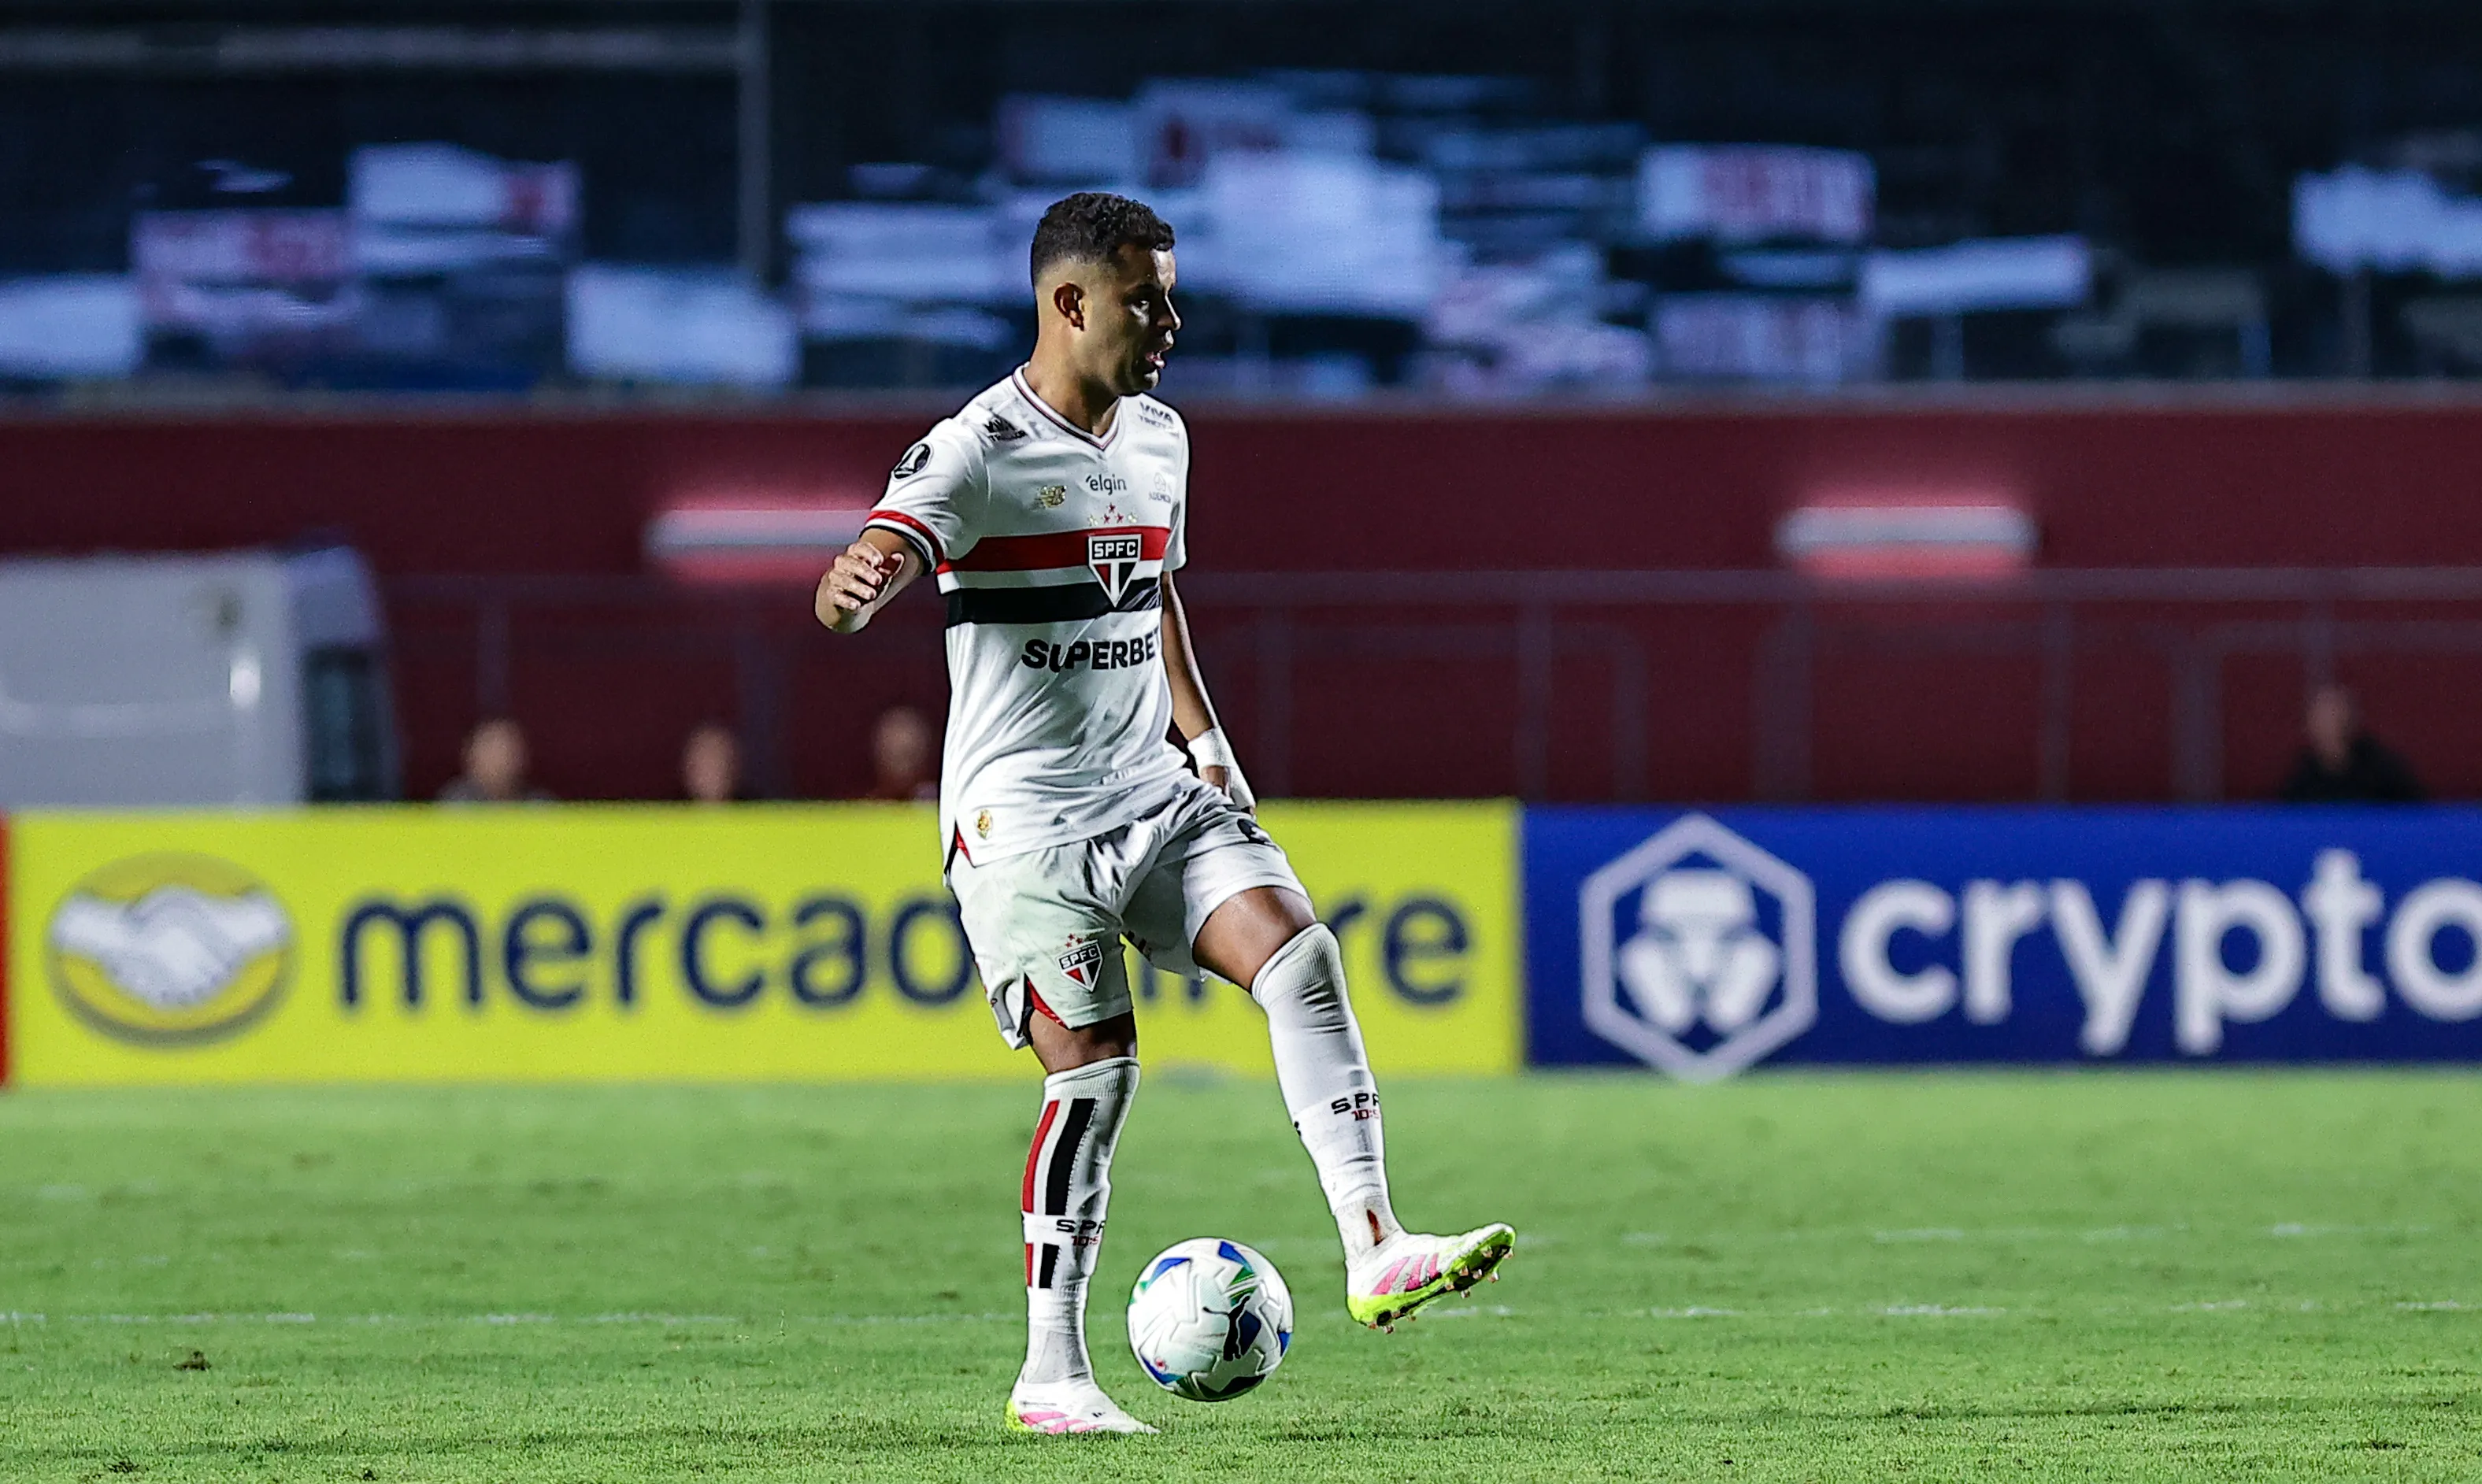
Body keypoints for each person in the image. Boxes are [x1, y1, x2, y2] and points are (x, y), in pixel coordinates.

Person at [816, 192, 1511, 1437]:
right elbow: (881, 548)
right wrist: (858, 582)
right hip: (1022, 822)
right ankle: (1050, 1375)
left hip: (1153, 786)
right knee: (1096, 1076)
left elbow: (1155, 596)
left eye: (1171, 295)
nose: (1171, 320)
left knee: (1299, 954)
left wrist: (1209, 742)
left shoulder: (1161, 438)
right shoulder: (974, 446)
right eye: (1148, 298)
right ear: (1069, 304)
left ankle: (1374, 1246)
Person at [2280, 683, 2424, 803]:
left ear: (2351, 720)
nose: (2330, 727)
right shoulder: (2302, 779)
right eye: (2322, 721)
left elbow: (2417, 814)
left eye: (2336, 719)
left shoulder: (2383, 772)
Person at [435, 717, 553, 804]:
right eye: (492, 748)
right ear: (470, 756)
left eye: (511, 748)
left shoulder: (542, 808)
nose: (504, 758)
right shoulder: (453, 806)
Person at [865, 705, 940, 801]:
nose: (902, 767)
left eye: (908, 755)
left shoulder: (939, 804)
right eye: (892, 755)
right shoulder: (868, 809)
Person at [681, 722, 743, 805]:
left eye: (717, 759)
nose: (710, 772)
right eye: (703, 761)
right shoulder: (670, 815)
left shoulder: (753, 813)